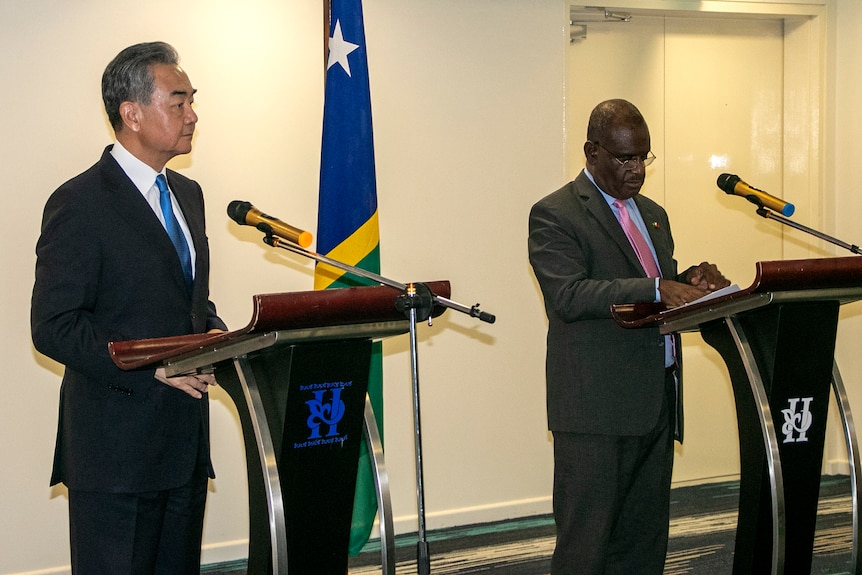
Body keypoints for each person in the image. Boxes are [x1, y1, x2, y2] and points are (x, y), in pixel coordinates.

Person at [31, 42, 227, 574]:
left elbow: (189, 302)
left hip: (183, 447)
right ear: (132, 113)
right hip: (115, 456)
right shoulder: (80, 203)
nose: (193, 115)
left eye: (193, 101)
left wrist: (223, 340)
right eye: (179, 101)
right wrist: (155, 364)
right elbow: (54, 326)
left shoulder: (189, 194)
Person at [527, 99, 729, 575]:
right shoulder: (555, 213)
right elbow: (570, 295)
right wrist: (658, 287)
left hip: (654, 399)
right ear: (591, 152)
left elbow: (654, 279)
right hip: (595, 407)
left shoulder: (653, 213)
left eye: (644, 156)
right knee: (587, 544)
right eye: (624, 158)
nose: (637, 169)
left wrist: (692, 280)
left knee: (643, 542)